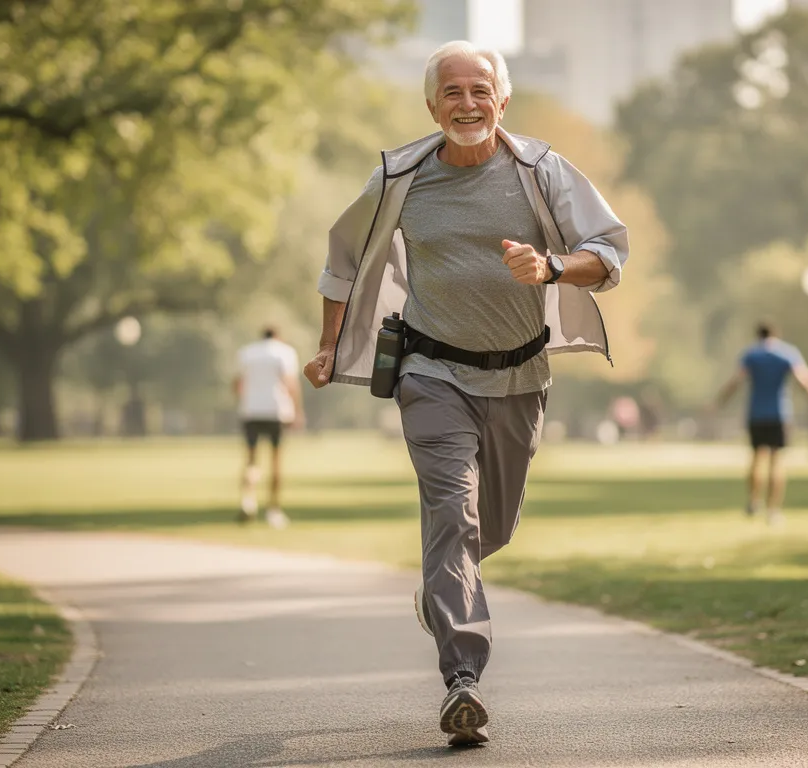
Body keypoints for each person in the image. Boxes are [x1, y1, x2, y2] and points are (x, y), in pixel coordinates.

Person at [302, 40, 627, 747]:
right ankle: (463, 680)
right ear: (432, 106)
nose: (468, 104)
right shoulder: (401, 177)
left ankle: (441, 589)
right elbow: (342, 261)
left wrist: (549, 267)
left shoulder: (542, 171)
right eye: (453, 92)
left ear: (502, 100)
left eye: (480, 90)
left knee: (489, 528)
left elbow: (607, 254)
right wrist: (329, 346)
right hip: (430, 373)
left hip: (520, 377)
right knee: (453, 512)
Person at [712, 322, 808, 527]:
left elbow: (736, 381)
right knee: (776, 461)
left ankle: (753, 501)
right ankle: (773, 510)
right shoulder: (787, 353)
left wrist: (719, 401)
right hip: (779, 414)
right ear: (776, 335)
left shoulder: (751, 355)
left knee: (756, 457)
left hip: (756, 414)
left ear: (757, 335)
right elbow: (804, 379)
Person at [234, 327, 303, 529]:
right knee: (275, 460)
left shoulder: (247, 352)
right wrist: (297, 410)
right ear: (278, 336)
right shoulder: (285, 352)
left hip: (251, 411)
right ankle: (273, 510)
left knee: (251, 460)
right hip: (276, 411)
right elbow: (291, 383)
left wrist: (245, 402)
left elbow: (237, 384)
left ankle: (248, 500)